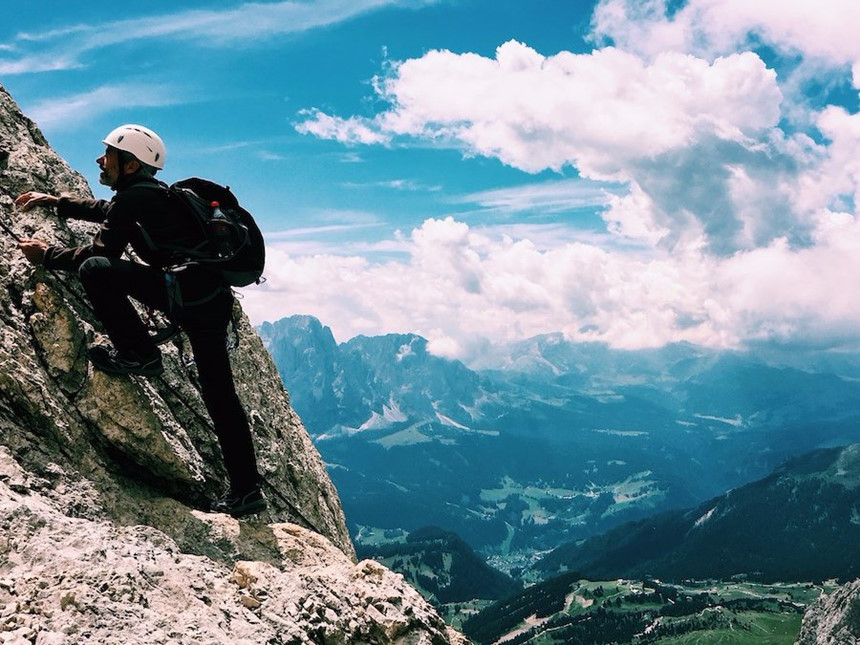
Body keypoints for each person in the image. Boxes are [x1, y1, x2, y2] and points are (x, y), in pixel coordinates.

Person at [15, 124, 266, 518]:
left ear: (130, 165)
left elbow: (99, 252)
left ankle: (139, 353)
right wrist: (58, 202)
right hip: (208, 299)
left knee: (96, 269)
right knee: (221, 397)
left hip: (186, 296)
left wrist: (48, 255)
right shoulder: (151, 195)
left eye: (109, 155)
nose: (100, 159)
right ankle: (247, 490)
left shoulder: (136, 199)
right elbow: (110, 212)